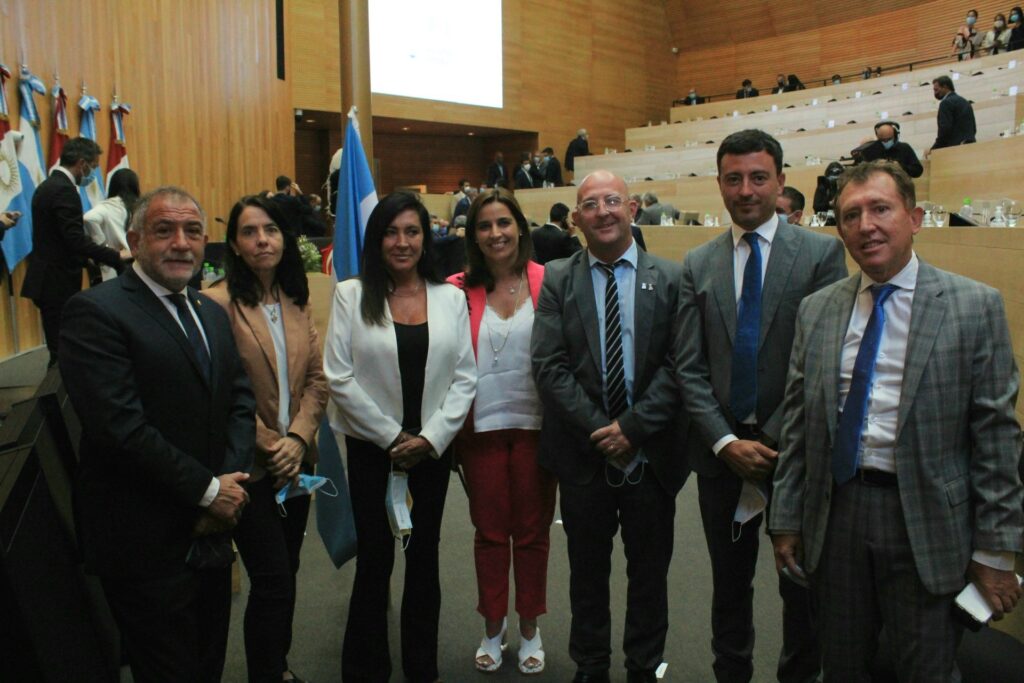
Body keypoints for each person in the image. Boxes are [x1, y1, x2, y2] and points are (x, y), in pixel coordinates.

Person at [769, 161, 1024, 680]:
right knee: (841, 663)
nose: (866, 226)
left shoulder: (974, 307)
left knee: (925, 668)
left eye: (881, 209)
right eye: (851, 215)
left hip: (927, 521)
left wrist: (996, 551)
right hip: (836, 514)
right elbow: (800, 427)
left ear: (915, 217)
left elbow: (997, 439)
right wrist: (787, 517)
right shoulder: (816, 310)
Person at [59, 186, 256, 682]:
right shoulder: (96, 312)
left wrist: (229, 482)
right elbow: (119, 428)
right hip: (144, 538)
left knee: (208, 662)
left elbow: (238, 399)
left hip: (211, 532)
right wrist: (209, 492)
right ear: (134, 240)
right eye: (164, 230)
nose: (181, 243)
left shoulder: (209, 310)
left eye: (192, 231)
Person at [673, 129, 847, 683]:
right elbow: (688, 366)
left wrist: (769, 440)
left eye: (758, 177)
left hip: (794, 452)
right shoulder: (696, 263)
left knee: (800, 585)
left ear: (780, 181)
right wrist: (726, 442)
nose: (745, 190)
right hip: (720, 456)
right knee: (729, 584)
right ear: (719, 184)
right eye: (733, 178)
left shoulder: (820, 254)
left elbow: (821, 360)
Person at [532, 170, 687, 682]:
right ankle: (591, 666)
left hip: (651, 455)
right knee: (586, 574)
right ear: (576, 220)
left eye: (612, 200)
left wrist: (633, 429)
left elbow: (680, 365)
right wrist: (604, 431)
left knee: (649, 574)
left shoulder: (670, 277)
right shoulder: (557, 277)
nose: (603, 211)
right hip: (583, 456)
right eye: (590, 204)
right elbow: (550, 366)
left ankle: (643, 667)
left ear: (633, 208)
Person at [323, 191, 476, 682]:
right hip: (374, 452)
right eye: (391, 231)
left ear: (425, 239)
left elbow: (465, 377)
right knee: (375, 561)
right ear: (376, 238)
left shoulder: (449, 297)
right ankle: (365, 670)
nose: (402, 242)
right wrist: (393, 437)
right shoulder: (351, 294)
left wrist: (430, 439)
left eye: (412, 231)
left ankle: (421, 669)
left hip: (432, 453)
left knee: (424, 559)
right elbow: (339, 377)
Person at [205, 195, 328, 683]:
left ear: (284, 238)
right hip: (249, 467)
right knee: (273, 579)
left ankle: (276, 666)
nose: (262, 240)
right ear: (234, 243)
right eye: (250, 232)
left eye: (271, 230)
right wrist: (271, 445)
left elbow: (318, 382)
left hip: (296, 466)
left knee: (287, 574)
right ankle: (266, 672)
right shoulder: (216, 303)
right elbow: (218, 392)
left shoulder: (296, 299)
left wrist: (297, 439)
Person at [445, 188, 556, 675]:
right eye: (484, 226)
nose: (495, 234)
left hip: (537, 428)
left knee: (532, 535)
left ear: (520, 229)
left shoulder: (549, 282)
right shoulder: (454, 289)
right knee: (490, 534)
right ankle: (494, 625)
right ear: (473, 236)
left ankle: (529, 624)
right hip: (479, 430)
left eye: (503, 223)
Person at [21, 137, 126, 366]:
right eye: (94, 168)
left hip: (47, 279)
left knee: (59, 347)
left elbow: (60, 237)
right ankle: (52, 402)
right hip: (56, 281)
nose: (92, 174)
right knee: (61, 352)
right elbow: (74, 241)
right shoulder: (63, 190)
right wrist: (116, 256)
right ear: (82, 164)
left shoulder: (48, 186)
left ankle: (56, 400)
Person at [84, 167, 140, 282]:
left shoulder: (108, 206)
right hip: (137, 265)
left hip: (114, 267)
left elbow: (88, 218)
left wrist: (102, 244)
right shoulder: (141, 207)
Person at [928, 76, 977, 156]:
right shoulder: (965, 101)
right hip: (971, 147)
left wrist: (934, 149)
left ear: (945, 87)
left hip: (954, 151)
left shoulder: (945, 103)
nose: (935, 93)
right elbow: (973, 128)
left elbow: (945, 130)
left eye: (936, 90)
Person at [858, 121, 924, 178]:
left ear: (895, 135)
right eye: (883, 140)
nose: (886, 142)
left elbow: (917, 170)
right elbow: (861, 173)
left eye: (889, 139)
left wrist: (901, 167)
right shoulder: (870, 150)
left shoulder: (904, 148)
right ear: (878, 137)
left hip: (901, 187)